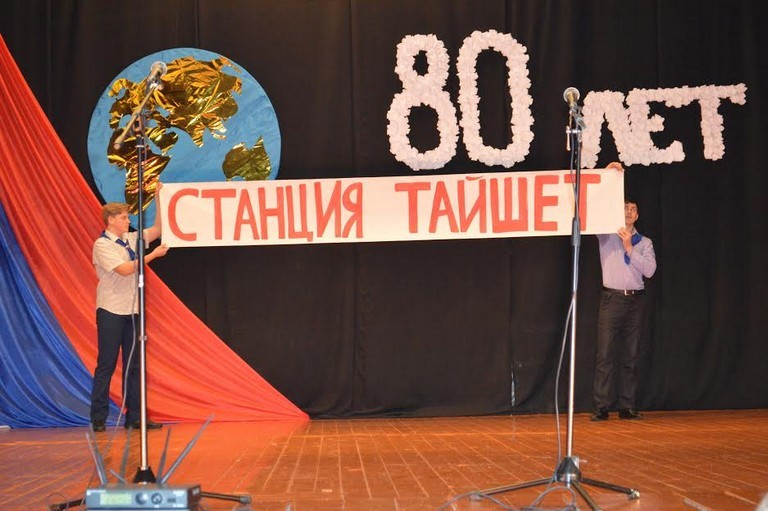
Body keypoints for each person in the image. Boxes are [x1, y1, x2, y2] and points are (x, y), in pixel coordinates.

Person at [91, 183, 169, 432]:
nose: (128, 221)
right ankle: (98, 417)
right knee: (107, 363)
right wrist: (152, 256)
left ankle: (135, 417)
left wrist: (159, 198)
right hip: (111, 311)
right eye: (124, 217)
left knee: (134, 365)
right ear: (111, 220)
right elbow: (125, 270)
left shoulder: (131, 239)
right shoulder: (102, 245)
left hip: (133, 311)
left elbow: (157, 230)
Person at [591, 162, 657, 421]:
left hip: (636, 300)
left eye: (633, 209)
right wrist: (607, 176)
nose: (629, 212)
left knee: (631, 355)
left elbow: (649, 271)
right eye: (625, 208)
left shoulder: (645, 242)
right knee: (605, 354)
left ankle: (627, 406)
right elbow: (595, 209)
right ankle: (601, 406)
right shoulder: (607, 236)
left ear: (638, 216)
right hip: (612, 299)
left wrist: (630, 248)